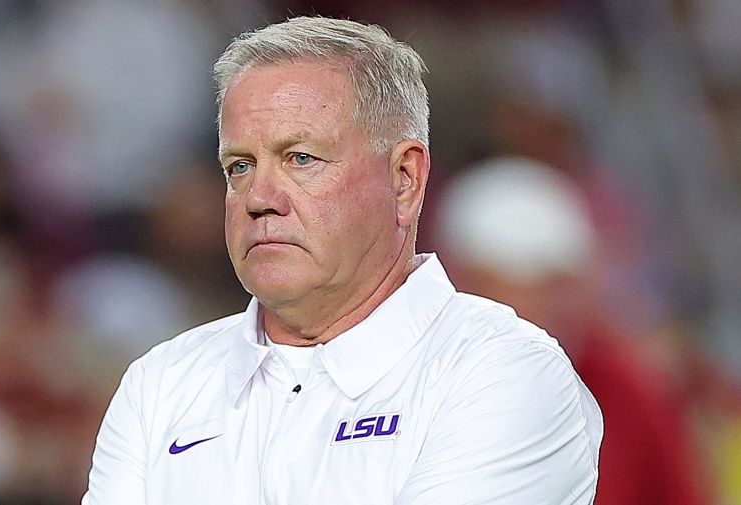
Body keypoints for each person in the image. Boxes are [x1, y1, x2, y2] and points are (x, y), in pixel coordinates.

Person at [82, 17, 602, 504]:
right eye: (239, 166)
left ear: (404, 179)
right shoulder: (158, 386)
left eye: (300, 158)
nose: (259, 196)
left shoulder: (500, 372)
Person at [432, 156, 711, 505]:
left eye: (552, 287)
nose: (534, 314)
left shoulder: (626, 391)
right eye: (505, 289)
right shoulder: (406, 389)